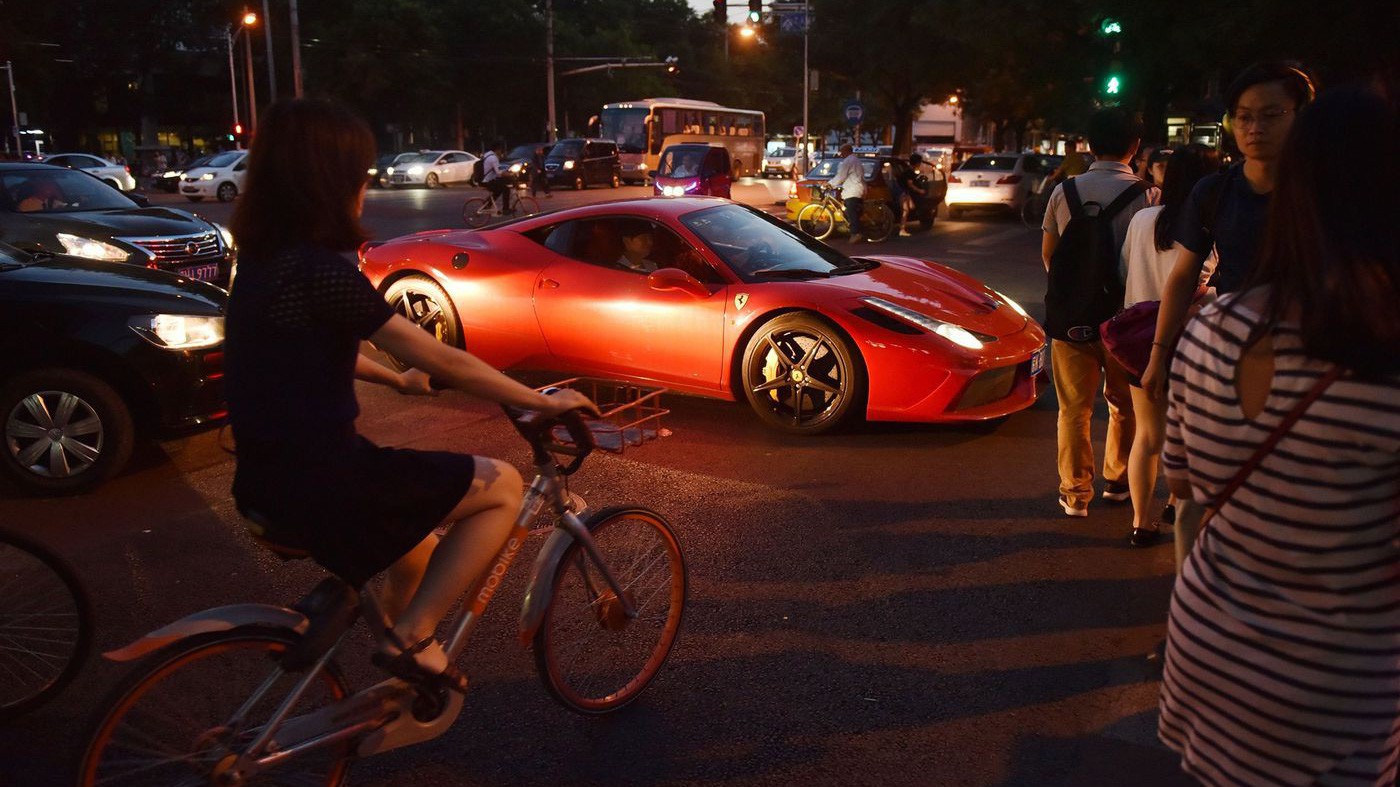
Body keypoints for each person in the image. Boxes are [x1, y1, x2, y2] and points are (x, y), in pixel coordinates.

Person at [225, 100, 597, 688]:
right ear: (330, 181)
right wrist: (543, 401)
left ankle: (387, 695)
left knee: (417, 552)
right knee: (501, 486)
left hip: (265, 482)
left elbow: (319, 352)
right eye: (361, 172)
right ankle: (411, 643)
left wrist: (397, 380)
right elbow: (442, 355)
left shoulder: (265, 264)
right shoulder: (320, 272)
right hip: (325, 482)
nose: (366, 185)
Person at [1158, 86, 1400, 787]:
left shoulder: (1214, 326)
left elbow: (1183, 483)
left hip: (1210, 646)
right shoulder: (1380, 358)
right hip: (1328, 684)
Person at [1141, 63, 1315, 402]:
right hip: (1232, 350)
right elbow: (1182, 276)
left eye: (1271, 114)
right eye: (1244, 116)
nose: (1255, 128)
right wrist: (1158, 354)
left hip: (1310, 353)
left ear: (1301, 117)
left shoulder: (1324, 191)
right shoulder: (1213, 192)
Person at [1040, 107, 1160, 517]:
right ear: (1135, 145)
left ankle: (1075, 494)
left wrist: (1077, 289)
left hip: (1071, 317)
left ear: (1089, 145)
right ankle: (1118, 479)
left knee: (1073, 410)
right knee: (1123, 405)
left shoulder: (1064, 192)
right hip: (1126, 320)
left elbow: (1049, 256)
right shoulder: (1149, 194)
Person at [1118, 144, 1220, 547]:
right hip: (1194, 337)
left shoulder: (1143, 219)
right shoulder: (1212, 224)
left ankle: (1142, 523)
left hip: (1139, 339)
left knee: (1148, 435)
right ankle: (1178, 502)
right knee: (1189, 432)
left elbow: (1126, 266)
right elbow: (1206, 282)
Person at [829, 143, 866, 243]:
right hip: (856, 189)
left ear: (846, 151)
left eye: (842, 151)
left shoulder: (849, 161)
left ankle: (855, 234)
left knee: (851, 212)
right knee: (849, 211)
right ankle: (855, 229)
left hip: (853, 190)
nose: (841, 154)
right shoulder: (855, 160)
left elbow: (841, 176)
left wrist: (830, 184)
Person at [895, 153, 928, 237]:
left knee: (910, 207)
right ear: (917, 163)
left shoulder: (908, 171)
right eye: (919, 163)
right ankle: (902, 230)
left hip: (904, 192)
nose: (920, 165)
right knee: (905, 210)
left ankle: (902, 226)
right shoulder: (909, 172)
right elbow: (910, 184)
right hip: (901, 192)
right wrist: (920, 190)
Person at [481, 139, 508, 212]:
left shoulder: (488, 155)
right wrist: (508, 174)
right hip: (488, 181)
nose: (501, 152)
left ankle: (488, 204)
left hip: (487, 179)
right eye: (501, 150)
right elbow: (499, 173)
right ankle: (506, 209)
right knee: (505, 188)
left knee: (499, 189)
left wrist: (505, 170)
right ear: (498, 149)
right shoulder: (493, 158)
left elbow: (497, 168)